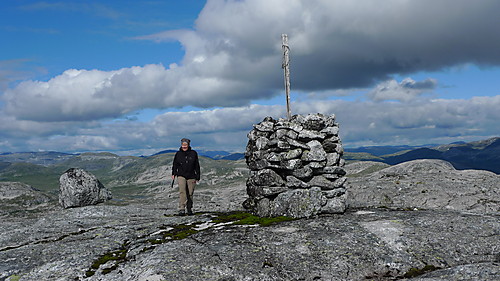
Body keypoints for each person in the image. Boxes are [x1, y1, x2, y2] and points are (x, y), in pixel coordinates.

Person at [171, 138, 200, 216]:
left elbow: (197, 165)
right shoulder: (178, 154)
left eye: (185, 145)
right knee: (182, 191)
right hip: (181, 175)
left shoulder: (193, 153)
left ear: (188, 145)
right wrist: (173, 173)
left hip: (191, 175)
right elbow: (175, 164)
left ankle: (189, 208)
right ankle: (181, 209)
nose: (184, 146)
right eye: (183, 145)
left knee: (190, 193)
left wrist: (198, 176)